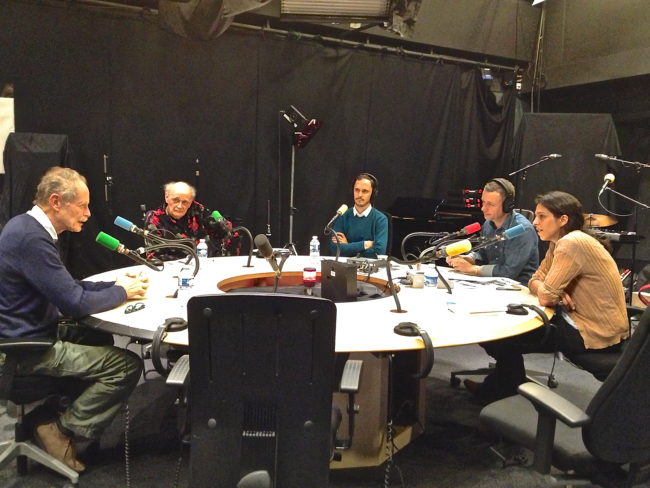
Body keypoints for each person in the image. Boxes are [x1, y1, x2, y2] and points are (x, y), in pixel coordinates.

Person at [0, 167, 148, 472]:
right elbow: (75, 303)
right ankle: (59, 430)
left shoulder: (27, 227)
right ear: (56, 202)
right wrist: (122, 293)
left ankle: (49, 414)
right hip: (21, 351)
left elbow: (68, 287)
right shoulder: (32, 239)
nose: (88, 213)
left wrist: (115, 285)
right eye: (82, 206)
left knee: (97, 337)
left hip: (26, 334)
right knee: (125, 366)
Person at [465, 191, 629, 403]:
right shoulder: (558, 242)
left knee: (501, 334)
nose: (535, 222)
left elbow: (546, 297)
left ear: (563, 220)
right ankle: (502, 386)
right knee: (502, 332)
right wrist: (554, 291)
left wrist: (553, 292)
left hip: (592, 331)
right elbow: (535, 279)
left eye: (542, 216)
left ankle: (503, 390)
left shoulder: (572, 242)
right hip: (581, 320)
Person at [447, 178, 539, 285]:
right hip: (493, 284)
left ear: (507, 205)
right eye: (483, 202)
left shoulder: (522, 230)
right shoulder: (488, 224)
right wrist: (469, 259)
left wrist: (473, 269)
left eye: (490, 204)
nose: (483, 208)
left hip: (518, 287)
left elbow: (509, 272)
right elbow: (483, 254)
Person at [144, 181, 235, 260]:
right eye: (175, 200)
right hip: (174, 269)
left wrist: (223, 226)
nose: (180, 206)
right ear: (166, 197)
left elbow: (221, 232)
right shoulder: (154, 218)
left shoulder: (197, 209)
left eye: (185, 202)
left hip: (204, 264)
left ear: (191, 202)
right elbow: (154, 257)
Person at [329, 173, 388, 258]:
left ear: (373, 193)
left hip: (369, 265)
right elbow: (335, 249)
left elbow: (379, 251)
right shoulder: (342, 216)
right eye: (356, 190)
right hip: (345, 265)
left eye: (365, 191)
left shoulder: (381, 219)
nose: (359, 195)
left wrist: (347, 246)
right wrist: (365, 244)